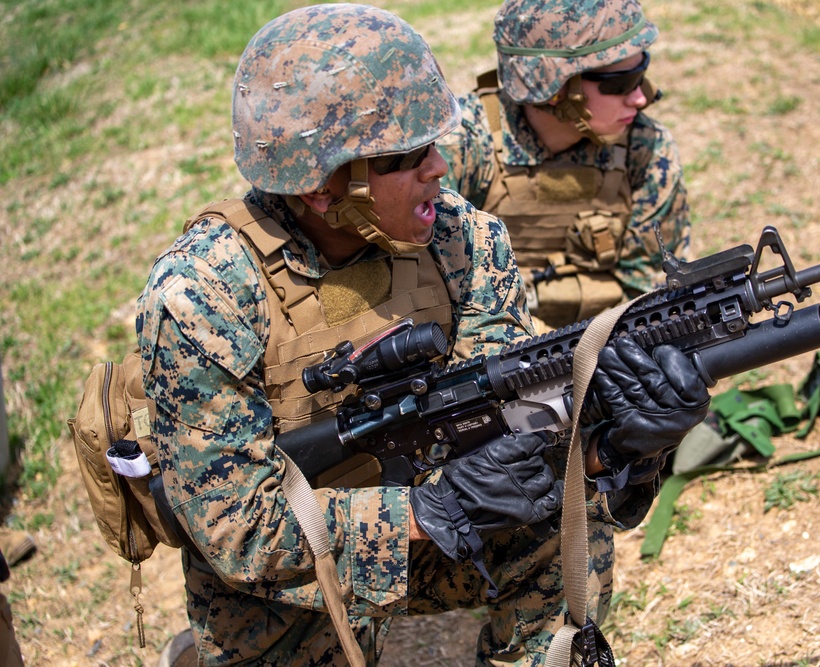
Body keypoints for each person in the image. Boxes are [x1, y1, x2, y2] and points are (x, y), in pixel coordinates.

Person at [138, 4, 708, 666]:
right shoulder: (202, 297)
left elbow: (507, 428)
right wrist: (426, 510)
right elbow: (241, 531)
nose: (441, 166)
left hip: (424, 518)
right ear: (325, 188)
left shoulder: (463, 239)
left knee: (562, 525)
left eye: (435, 145)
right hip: (281, 583)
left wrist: (618, 442)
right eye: (409, 156)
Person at [437, 0, 690, 332]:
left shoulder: (644, 148)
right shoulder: (464, 148)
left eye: (642, 72)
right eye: (621, 83)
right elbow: (438, 301)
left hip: (612, 344)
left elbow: (652, 291)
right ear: (554, 87)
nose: (640, 98)